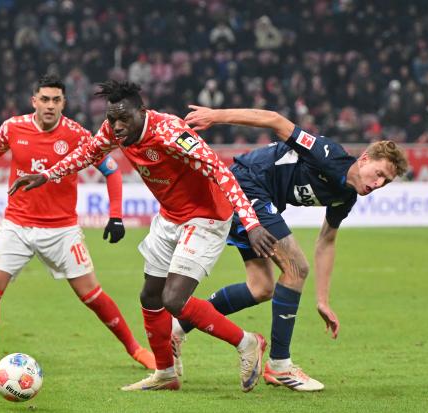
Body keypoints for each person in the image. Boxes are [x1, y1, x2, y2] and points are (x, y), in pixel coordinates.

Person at [9, 80, 279, 392]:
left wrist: (252, 223)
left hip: (206, 216)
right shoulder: (113, 131)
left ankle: (247, 342)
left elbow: (221, 172)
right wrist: (46, 175)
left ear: (142, 111)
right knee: (150, 296)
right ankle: (165, 373)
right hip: (169, 216)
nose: (116, 126)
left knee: (174, 299)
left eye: (124, 118)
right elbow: (87, 153)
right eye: (112, 119)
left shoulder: (170, 132)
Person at [172, 105, 409, 391]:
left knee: (261, 287)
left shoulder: (345, 197)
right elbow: (275, 120)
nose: (378, 183)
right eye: (379, 173)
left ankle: (177, 328)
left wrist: (322, 300)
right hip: (247, 183)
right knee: (296, 268)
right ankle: (280, 365)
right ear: (365, 159)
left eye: (386, 181)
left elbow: (326, 240)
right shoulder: (327, 154)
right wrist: (215, 116)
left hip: (261, 198)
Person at [0, 74, 155, 374]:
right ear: (34, 101)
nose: (50, 106)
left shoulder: (77, 134)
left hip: (61, 229)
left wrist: (115, 215)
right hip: (18, 224)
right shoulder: (13, 127)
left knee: (91, 295)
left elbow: (112, 171)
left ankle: (137, 350)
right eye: (45, 99)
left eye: (56, 100)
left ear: (64, 103)